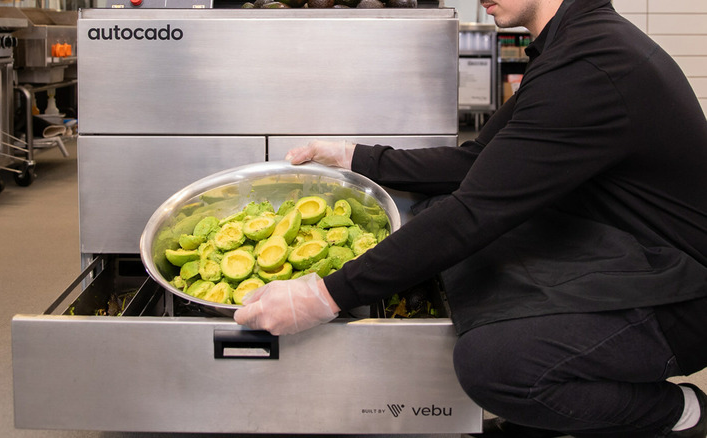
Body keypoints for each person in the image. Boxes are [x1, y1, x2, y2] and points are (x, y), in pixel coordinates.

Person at [234, 0, 707, 436]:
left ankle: (679, 412)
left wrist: (326, 294)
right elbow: (475, 162)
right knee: (440, 223)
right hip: (622, 248)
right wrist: (356, 157)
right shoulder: (573, 41)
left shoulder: (591, 64)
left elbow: (473, 212)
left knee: (494, 366)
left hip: (681, 295)